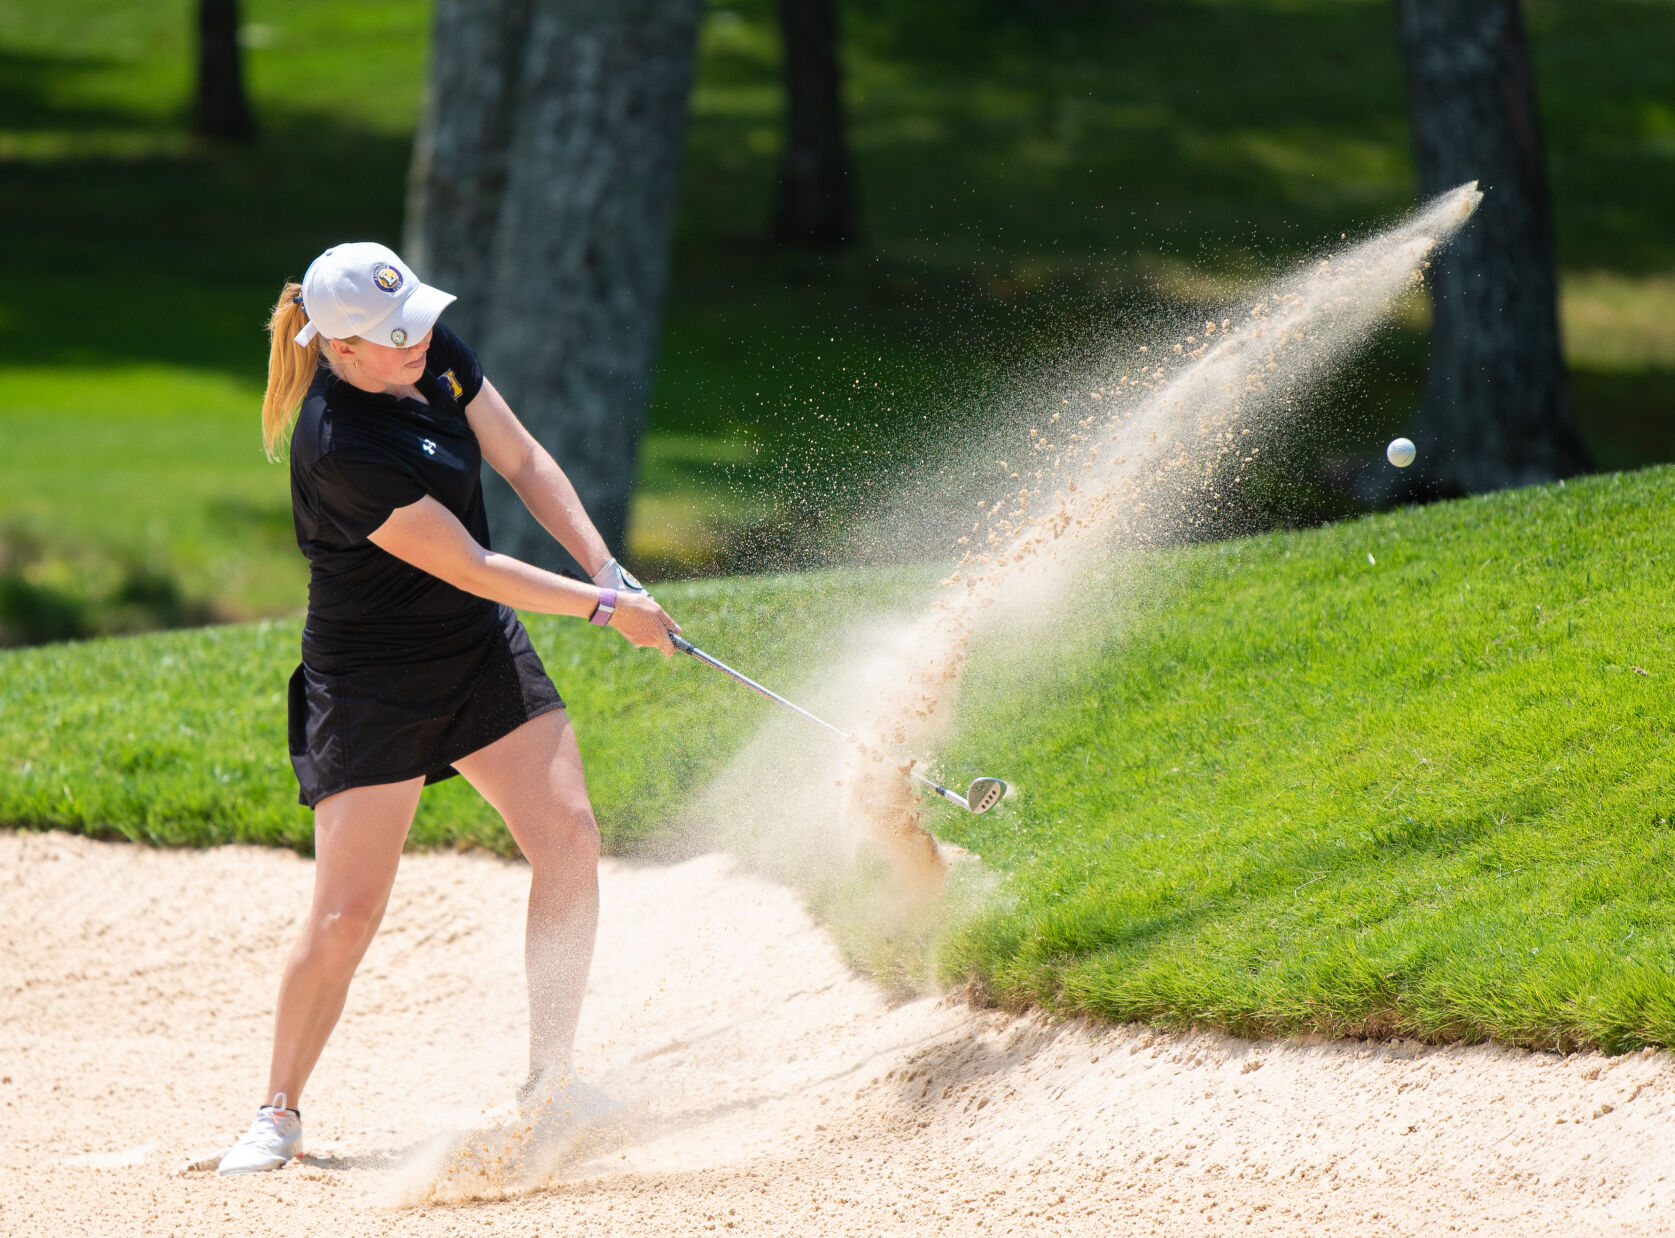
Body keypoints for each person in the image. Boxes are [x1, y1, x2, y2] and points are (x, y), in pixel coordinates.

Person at [217, 241, 677, 1175]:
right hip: (371, 681)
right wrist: (602, 610)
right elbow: (468, 561)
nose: (415, 341)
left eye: (417, 320)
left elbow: (522, 456)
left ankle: (551, 1081)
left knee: (569, 839)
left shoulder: (431, 353)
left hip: (474, 650)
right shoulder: (340, 444)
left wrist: (604, 566)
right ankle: (277, 1113)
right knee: (347, 913)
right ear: (339, 351)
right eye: (392, 338)